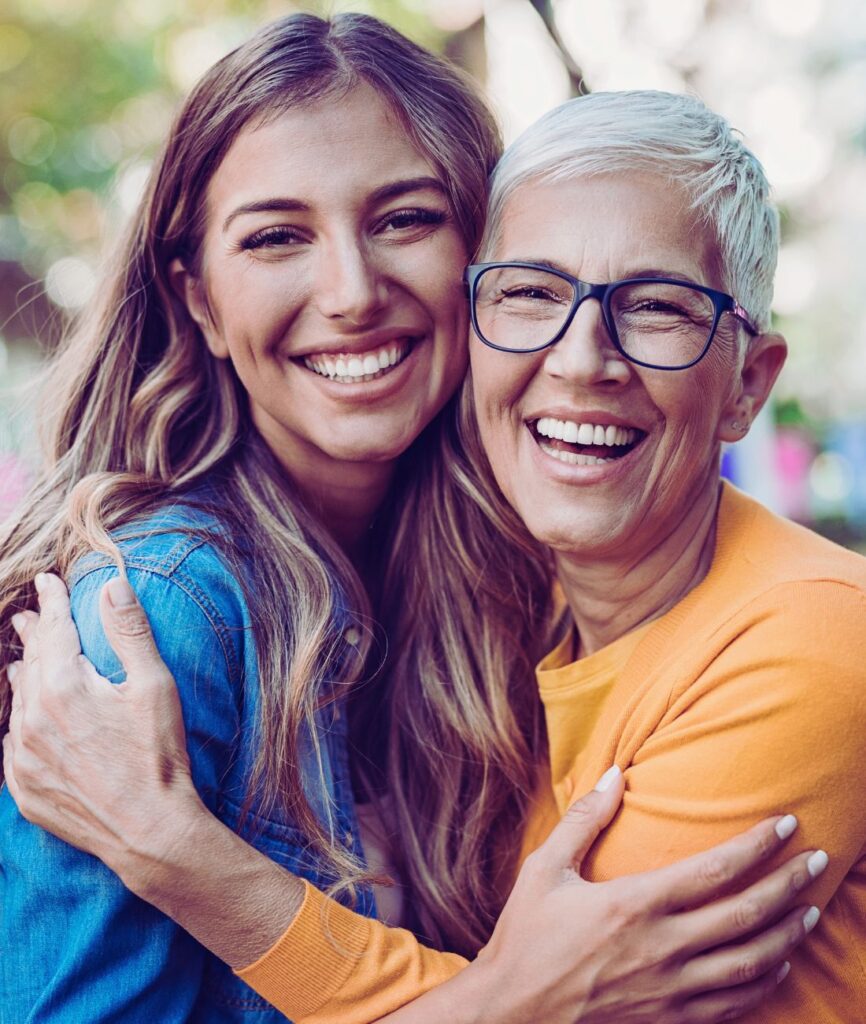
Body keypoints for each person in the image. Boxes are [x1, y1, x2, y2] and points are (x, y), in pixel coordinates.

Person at [0, 19, 823, 1024]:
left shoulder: (516, 585)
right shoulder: (159, 615)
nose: (351, 292)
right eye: (274, 237)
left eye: (403, 220)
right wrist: (511, 1002)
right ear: (199, 301)